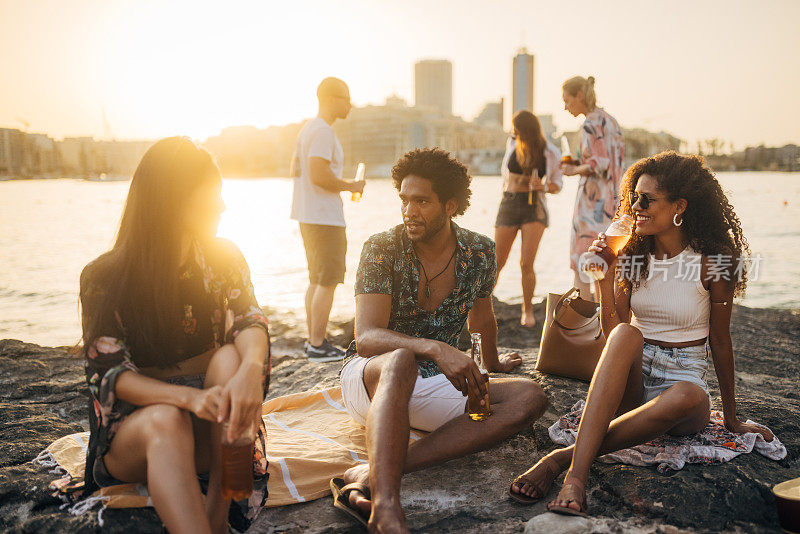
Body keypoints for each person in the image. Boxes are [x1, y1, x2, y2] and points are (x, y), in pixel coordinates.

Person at [509, 152, 774, 516]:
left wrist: (731, 418)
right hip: (633, 379)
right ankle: (575, 477)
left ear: (679, 206)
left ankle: (561, 458)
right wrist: (603, 279)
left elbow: (721, 341)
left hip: (684, 383)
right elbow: (611, 334)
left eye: (647, 199)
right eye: (634, 196)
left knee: (688, 396)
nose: (635, 206)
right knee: (627, 335)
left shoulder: (714, 260)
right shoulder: (634, 256)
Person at [333, 148, 548, 532]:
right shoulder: (381, 248)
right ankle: (386, 506)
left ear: (450, 205)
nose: (409, 211)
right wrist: (435, 348)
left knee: (531, 396)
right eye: (404, 200)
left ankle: (370, 472)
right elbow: (366, 338)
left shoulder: (480, 251)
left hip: (434, 387)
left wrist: (492, 366)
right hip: (372, 381)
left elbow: (482, 315)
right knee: (401, 360)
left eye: (421, 201)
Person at [78, 137, 271, 534]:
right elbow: (110, 375)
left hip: (214, 435)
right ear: (175, 201)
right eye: (211, 196)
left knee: (231, 361)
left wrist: (252, 368)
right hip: (139, 440)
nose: (222, 206)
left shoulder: (223, 258)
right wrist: (188, 397)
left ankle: (221, 517)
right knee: (167, 420)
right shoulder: (105, 278)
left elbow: (250, 320)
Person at [290, 77, 365, 362]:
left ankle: (313, 342)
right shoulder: (322, 132)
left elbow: (298, 171)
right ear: (331, 99)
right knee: (328, 280)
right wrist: (352, 186)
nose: (350, 104)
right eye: (346, 98)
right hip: (324, 218)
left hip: (308, 214)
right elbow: (318, 175)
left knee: (316, 279)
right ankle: (318, 344)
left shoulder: (308, 130)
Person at [495, 110, 563, 327]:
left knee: (526, 263)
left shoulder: (549, 151)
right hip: (509, 202)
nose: (513, 132)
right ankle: (483, 305)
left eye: (517, 128)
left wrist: (543, 185)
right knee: (496, 261)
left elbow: (557, 184)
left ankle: (527, 311)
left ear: (527, 130)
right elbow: (505, 177)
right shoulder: (513, 144)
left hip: (533, 206)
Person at [561, 75, 625, 300]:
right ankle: (605, 322)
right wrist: (581, 164)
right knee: (607, 265)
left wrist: (572, 170)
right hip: (614, 201)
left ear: (580, 95)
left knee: (583, 263)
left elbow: (600, 163)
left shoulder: (590, 123)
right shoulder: (611, 121)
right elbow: (610, 161)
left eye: (567, 100)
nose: (565, 106)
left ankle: (583, 324)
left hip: (593, 205)